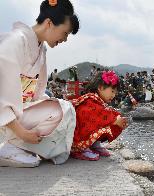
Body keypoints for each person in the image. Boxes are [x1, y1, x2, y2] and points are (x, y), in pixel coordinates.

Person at [0, 0, 80, 167]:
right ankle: (9, 146)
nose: (64, 39)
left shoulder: (40, 50)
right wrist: (23, 133)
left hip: (19, 112)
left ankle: (17, 145)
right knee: (61, 108)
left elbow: (37, 94)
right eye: (65, 33)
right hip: (5, 118)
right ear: (49, 23)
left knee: (66, 109)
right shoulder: (14, 41)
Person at [71, 71, 128, 161]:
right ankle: (81, 148)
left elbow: (102, 112)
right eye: (112, 91)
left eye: (115, 93)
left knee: (110, 120)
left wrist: (116, 119)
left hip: (84, 131)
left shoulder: (98, 100)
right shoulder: (90, 99)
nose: (113, 95)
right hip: (79, 136)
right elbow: (97, 113)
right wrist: (115, 119)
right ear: (101, 88)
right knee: (105, 120)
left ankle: (94, 144)